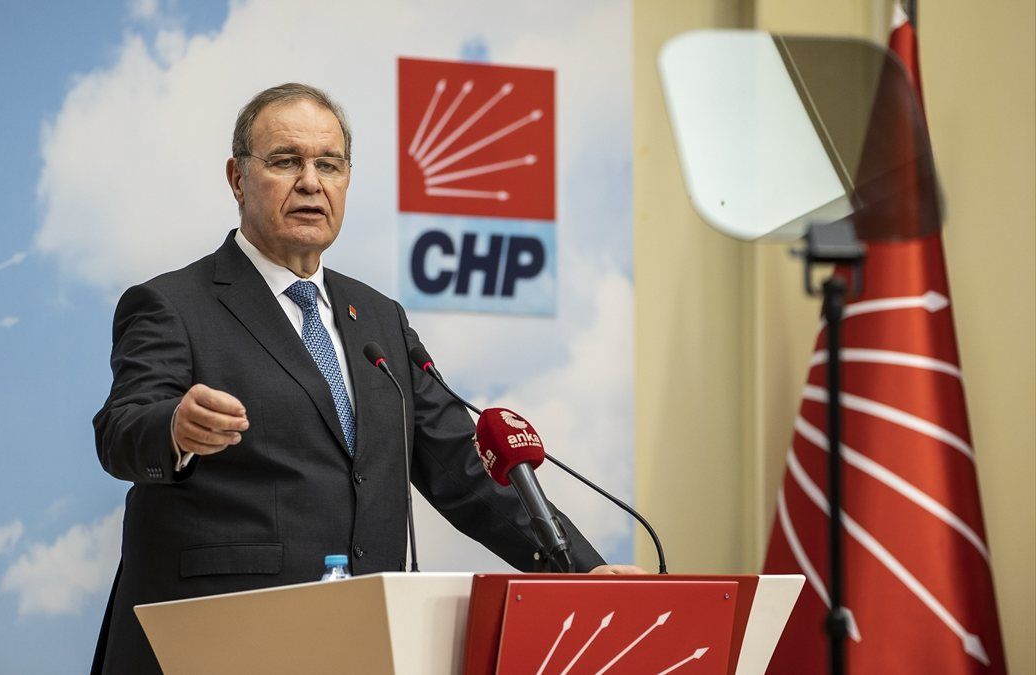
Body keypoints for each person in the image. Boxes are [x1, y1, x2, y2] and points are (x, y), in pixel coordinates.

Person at [91, 83, 636, 674]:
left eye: (329, 164)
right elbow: (121, 429)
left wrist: (581, 574)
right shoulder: (173, 304)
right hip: (218, 642)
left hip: (360, 639)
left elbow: (464, 466)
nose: (310, 182)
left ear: (347, 179)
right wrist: (174, 427)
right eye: (285, 161)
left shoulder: (379, 319)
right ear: (237, 178)